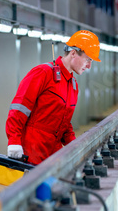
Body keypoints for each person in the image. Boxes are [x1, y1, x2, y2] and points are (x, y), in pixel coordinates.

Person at [5, 30, 101, 165]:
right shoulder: (43, 73)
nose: (89, 66)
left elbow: (65, 124)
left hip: (53, 155)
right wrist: (14, 141)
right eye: (88, 59)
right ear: (73, 53)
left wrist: (75, 147)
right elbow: (20, 108)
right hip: (31, 153)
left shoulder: (73, 85)